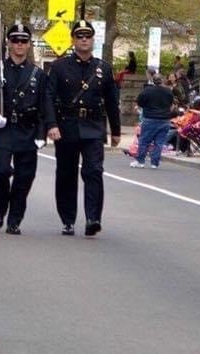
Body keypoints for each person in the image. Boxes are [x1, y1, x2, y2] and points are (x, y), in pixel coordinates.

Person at [45, 19, 121, 236]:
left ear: (93, 40)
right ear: (73, 40)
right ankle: (68, 219)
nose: (84, 39)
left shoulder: (103, 69)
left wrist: (115, 130)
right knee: (66, 174)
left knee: (94, 171)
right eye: (80, 36)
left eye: (88, 36)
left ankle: (93, 217)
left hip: (94, 127)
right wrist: (51, 124)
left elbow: (111, 101)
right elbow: (49, 97)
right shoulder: (60, 67)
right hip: (67, 126)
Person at [0, 22, 50, 235]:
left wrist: (42, 133)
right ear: (8, 44)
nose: (19, 45)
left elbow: (44, 106)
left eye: (23, 41)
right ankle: (1, 204)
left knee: (24, 178)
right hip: (4, 129)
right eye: (15, 40)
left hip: (27, 130)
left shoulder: (38, 75)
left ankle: (14, 219)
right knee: (1, 172)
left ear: (29, 45)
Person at [131, 72, 176, 169]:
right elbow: (172, 105)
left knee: (144, 141)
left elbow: (140, 103)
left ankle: (140, 161)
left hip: (150, 118)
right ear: (162, 80)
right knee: (159, 142)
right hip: (165, 120)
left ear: (153, 81)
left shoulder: (147, 91)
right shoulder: (168, 91)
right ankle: (154, 163)